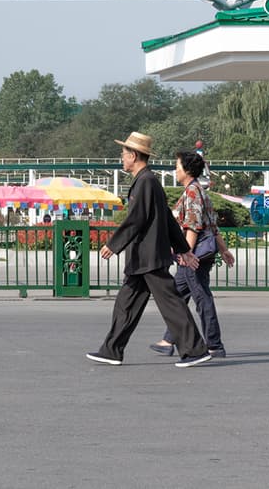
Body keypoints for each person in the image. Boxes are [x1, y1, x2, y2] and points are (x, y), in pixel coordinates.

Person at [87, 131, 212, 368]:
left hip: (149, 256)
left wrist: (113, 244)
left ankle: (195, 349)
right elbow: (166, 217)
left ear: (134, 155)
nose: (121, 158)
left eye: (124, 154)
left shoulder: (146, 181)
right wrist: (184, 248)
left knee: (171, 303)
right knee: (125, 305)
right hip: (142, 258)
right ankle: (111, 350)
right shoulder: (147, 181)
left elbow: (136, 218)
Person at [149, 150, 235, 359]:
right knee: (178, 297)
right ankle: (169, 339)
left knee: (201, 297)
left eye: (177, 167)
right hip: (196, 254)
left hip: (193, 256)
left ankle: (214, 344)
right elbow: (212, 225)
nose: (175, 171)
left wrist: (186, 254)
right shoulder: (199, 190)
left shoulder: (193, 192)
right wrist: (223, 249)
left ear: (187, 170)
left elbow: (194, 226)